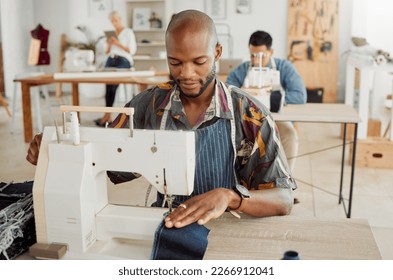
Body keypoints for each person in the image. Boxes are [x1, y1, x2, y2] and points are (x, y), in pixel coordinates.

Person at [27, 10, 296, 230]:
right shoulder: (149, 105)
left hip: (229, 228)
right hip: (169, 224)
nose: (187, 73)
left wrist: (230, 198)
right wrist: (59, 149)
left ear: (217, 52)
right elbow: (105, 160)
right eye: (175, 62)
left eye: (199, 61)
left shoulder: (249, 113)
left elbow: (283, 199)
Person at [226, 30, 307, 172]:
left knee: (290, 134)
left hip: (278, 120)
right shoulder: (242, 70)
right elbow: (227, 92)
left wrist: (270, 99)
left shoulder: (284, 68)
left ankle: (286, 179)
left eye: (261, 56)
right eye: (252, 56)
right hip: (250, 119)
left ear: (271, 52)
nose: (256, 61)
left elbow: (299, 95)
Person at [95, 11, 137, 127]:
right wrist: (109, 44)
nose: (114, 23)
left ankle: (107, 115)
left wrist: (117, 43)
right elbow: (107, 52)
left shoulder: (128, 32)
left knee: (112, 83)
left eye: (116, 20)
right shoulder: (110, 34)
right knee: (108, 84)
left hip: (123, 59)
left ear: (120, 19)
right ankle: (107, 115)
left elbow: (132, 50)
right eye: (112, 21)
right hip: (111, 59)